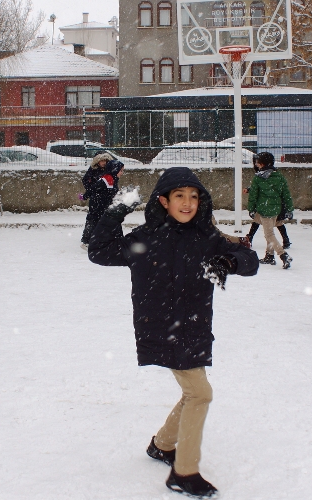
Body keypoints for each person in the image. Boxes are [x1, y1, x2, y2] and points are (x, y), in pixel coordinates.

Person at [88, 167, 259, 498]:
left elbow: (248, 257)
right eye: (179, 196)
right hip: (162, 328)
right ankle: (184, 472)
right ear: (164, 201)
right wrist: (116, 210)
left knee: (193, 391)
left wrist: (230, 263)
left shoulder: (206, 237)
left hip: (195, 325)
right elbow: (100, 251)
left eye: (194, 197)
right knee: (200, 393)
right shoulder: (144, 239)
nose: (188, 203)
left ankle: (162, 446)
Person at [247, 152, 293, 269]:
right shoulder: (279, 176)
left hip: (264, 209)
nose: (257, 164)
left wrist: (251, 209)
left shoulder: (258, 178)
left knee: (269, 235)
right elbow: (286, 194)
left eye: (258, 162)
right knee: (270, 232)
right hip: (275, 209)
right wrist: (289, 208)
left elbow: (253, 195)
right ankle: (269, 256)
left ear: (262, 164)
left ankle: (283, 255)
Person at [81, 158, 124, 249]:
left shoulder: (113, 178)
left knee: (112, 221)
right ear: (115, 170)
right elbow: (93, 189)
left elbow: (112, 193)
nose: (122, 173)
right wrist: (84, 196)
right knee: (94, 221)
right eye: (121, 170)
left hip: (105, 204)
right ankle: (86, 242)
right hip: (97, 204)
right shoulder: (106, 179)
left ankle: (118, 241)